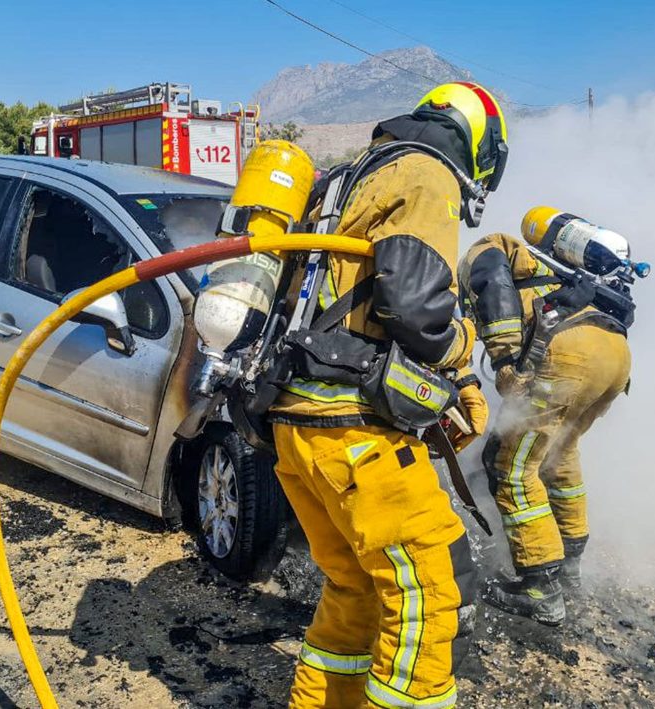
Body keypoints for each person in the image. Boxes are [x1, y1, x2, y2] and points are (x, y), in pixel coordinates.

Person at [267, 82, 508, 708]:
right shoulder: (429, 174)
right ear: (479, 145)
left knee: (355, 588)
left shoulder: (351, 177)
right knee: (426, 596)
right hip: (355, 434)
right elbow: (417, 309)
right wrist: (463, 354)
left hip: (300, 425)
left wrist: (452, 387)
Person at [456, 218, 633, 627]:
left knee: (510, 468)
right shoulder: (563, 276)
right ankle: (570, 567)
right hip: (615, 352)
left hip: (568, 351)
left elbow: (492, 290)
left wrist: (503, 359)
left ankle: (539, 586)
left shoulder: (492, 246)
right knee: (559, 452)